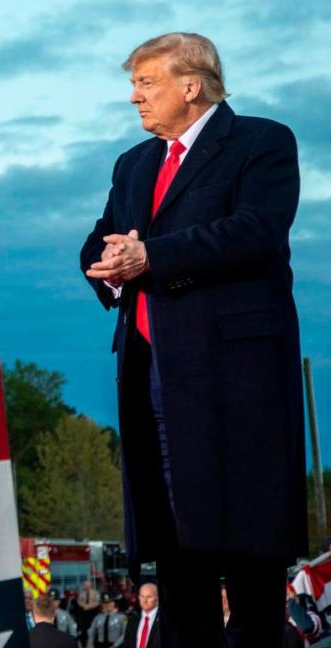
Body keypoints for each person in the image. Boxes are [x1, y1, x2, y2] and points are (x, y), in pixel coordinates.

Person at [79, 32, 306, 648]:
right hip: (151, 374)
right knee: (176, 548)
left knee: (248, 546)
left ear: (191, 85)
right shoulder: (133, 164)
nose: (134, 98)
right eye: (133, 85)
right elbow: (101, 240)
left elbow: (254, 232)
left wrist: (150, 255)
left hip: (236, 377)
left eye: (145, 83)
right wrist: (106, 266)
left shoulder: (262, 142)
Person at [122, 583, 159, 648]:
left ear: (157, 598)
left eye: (149, 597)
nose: (145, 600)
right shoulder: (132, 621)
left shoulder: (167, 622)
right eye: (142, 596)